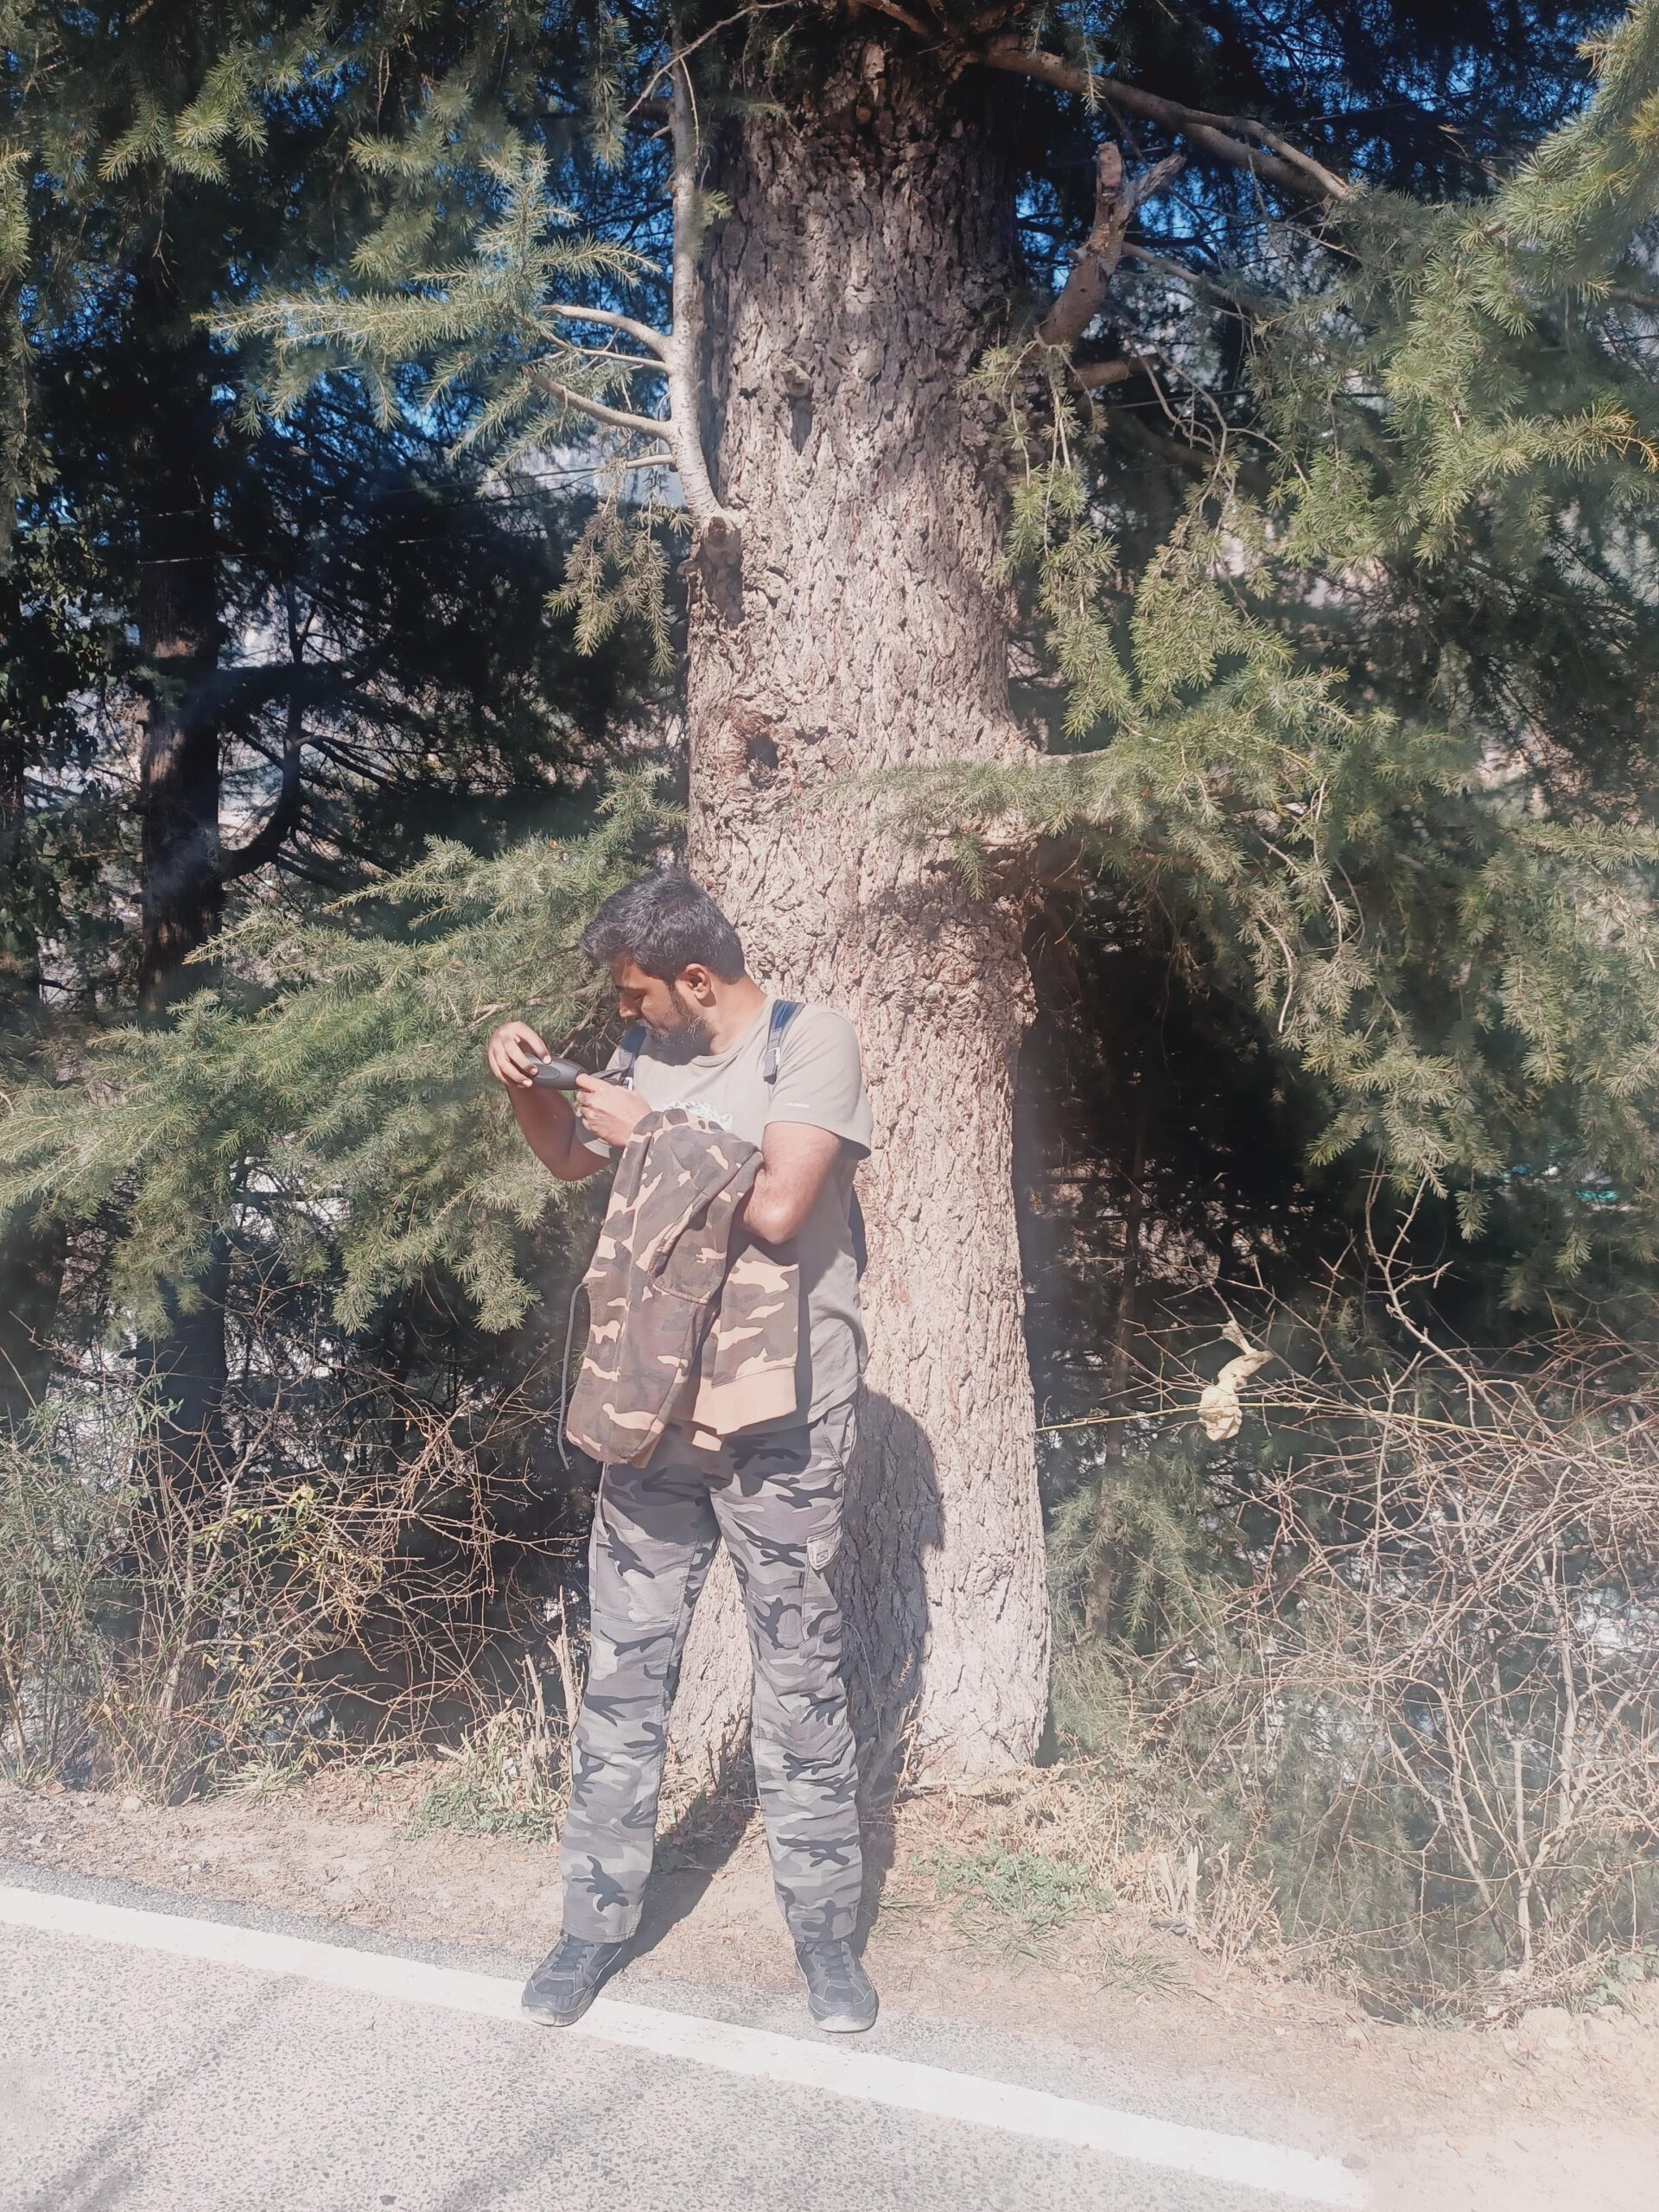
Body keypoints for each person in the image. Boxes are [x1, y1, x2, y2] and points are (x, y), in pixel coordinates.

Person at [486, 869, 878, 2034]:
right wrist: (527, 1087)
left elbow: (777, 1208)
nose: (630, 1017)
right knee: (623, 1677)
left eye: (641, 995)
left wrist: (650, 1128)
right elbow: (568, 1160)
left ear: (697, 980)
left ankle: (826, 1945)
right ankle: (589, 1927)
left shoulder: (812, 1046)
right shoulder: (638, 1052)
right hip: (647, 1406)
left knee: (798, 1680)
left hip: (782, 1419)